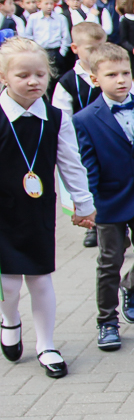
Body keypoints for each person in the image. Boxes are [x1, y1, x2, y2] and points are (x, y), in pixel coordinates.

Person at [0, 37, 96, 379]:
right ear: (4, 77)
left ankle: (46, 345)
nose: (33, 81)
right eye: (23, 75)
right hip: (2, 214)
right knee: (8, 284)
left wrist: (83, 204)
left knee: (40, 280)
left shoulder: (55, 118)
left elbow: (71, 163)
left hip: (36, 210)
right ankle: (9, 320)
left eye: (40, 74)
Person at [72, 43, 134, 352]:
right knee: (109, 262)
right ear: (94, 79)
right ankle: (107, 321)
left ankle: (131, 285)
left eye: (125, 73)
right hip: (109, 199)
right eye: (111, 74)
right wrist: (86, 205)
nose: (121, 80)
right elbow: (86, 164)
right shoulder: (85, 119)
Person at [19, 0, 71, 74]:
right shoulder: (33, 18)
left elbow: (66, 36)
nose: (49, 6)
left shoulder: (61, 18)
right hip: (39, 50)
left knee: (57, 74)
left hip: (56, 51)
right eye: (46, 4)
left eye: (51, 3)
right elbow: (28, 35)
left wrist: (62, 52)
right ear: (39, 4)